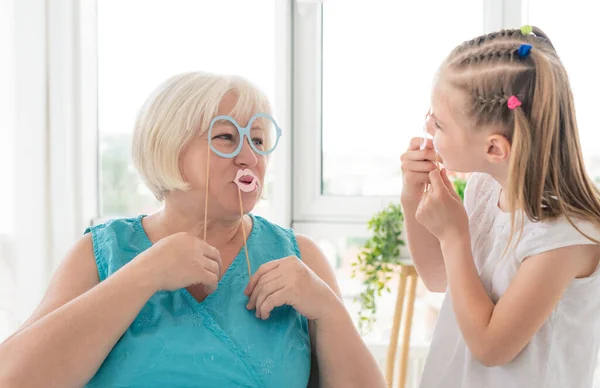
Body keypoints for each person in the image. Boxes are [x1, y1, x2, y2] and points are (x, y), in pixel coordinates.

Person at [0, 71, 386, 388]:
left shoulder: (301, 257)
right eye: (226, 137)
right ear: (169, 146)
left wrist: (329, 311)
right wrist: (144, 274)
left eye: (257, 140)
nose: (249, 157)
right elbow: (14, 378)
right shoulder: (102, 253)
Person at [400, 26, 600, 388]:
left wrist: (454, 236)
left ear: (494, 149)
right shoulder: (484, 189)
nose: (428, 127)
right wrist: (413, 195)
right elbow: (438, 278)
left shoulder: (565, 233)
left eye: (440, 123)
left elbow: (491, 347)